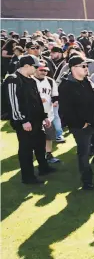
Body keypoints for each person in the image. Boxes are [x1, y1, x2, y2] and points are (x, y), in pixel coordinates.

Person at [58, 56, 94, 190]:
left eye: (86, 66)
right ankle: (87, 181)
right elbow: (65, 109)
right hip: (81, 127)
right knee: (84, 153)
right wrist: (80, 124)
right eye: (83, 66)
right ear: (73, 68)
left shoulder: (88, 81)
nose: (87, 68)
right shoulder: (66, 85)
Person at [5, 55, 55, 184]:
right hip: (24, 122)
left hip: (37, 120)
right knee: (26, 149)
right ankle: (28, 177)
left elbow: (37, 100)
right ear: (27, 66)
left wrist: (44, 116)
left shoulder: (31, 80)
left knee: (40, 145)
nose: (37, 69)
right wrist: (23, 120)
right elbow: (13, 102)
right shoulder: (13, 79)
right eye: (35, 66)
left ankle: (44, 168)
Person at [33, 62, 61, 164]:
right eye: (41, 70)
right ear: (35, 69)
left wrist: (55, 101)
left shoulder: (50, 81)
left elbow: (55, 95)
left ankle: (48, 154)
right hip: (34, 114)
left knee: (49, 136)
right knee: (35, 137)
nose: (44, 72)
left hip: (48, 114)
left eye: (45, 70)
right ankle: (37, 154)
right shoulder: (30, 81)